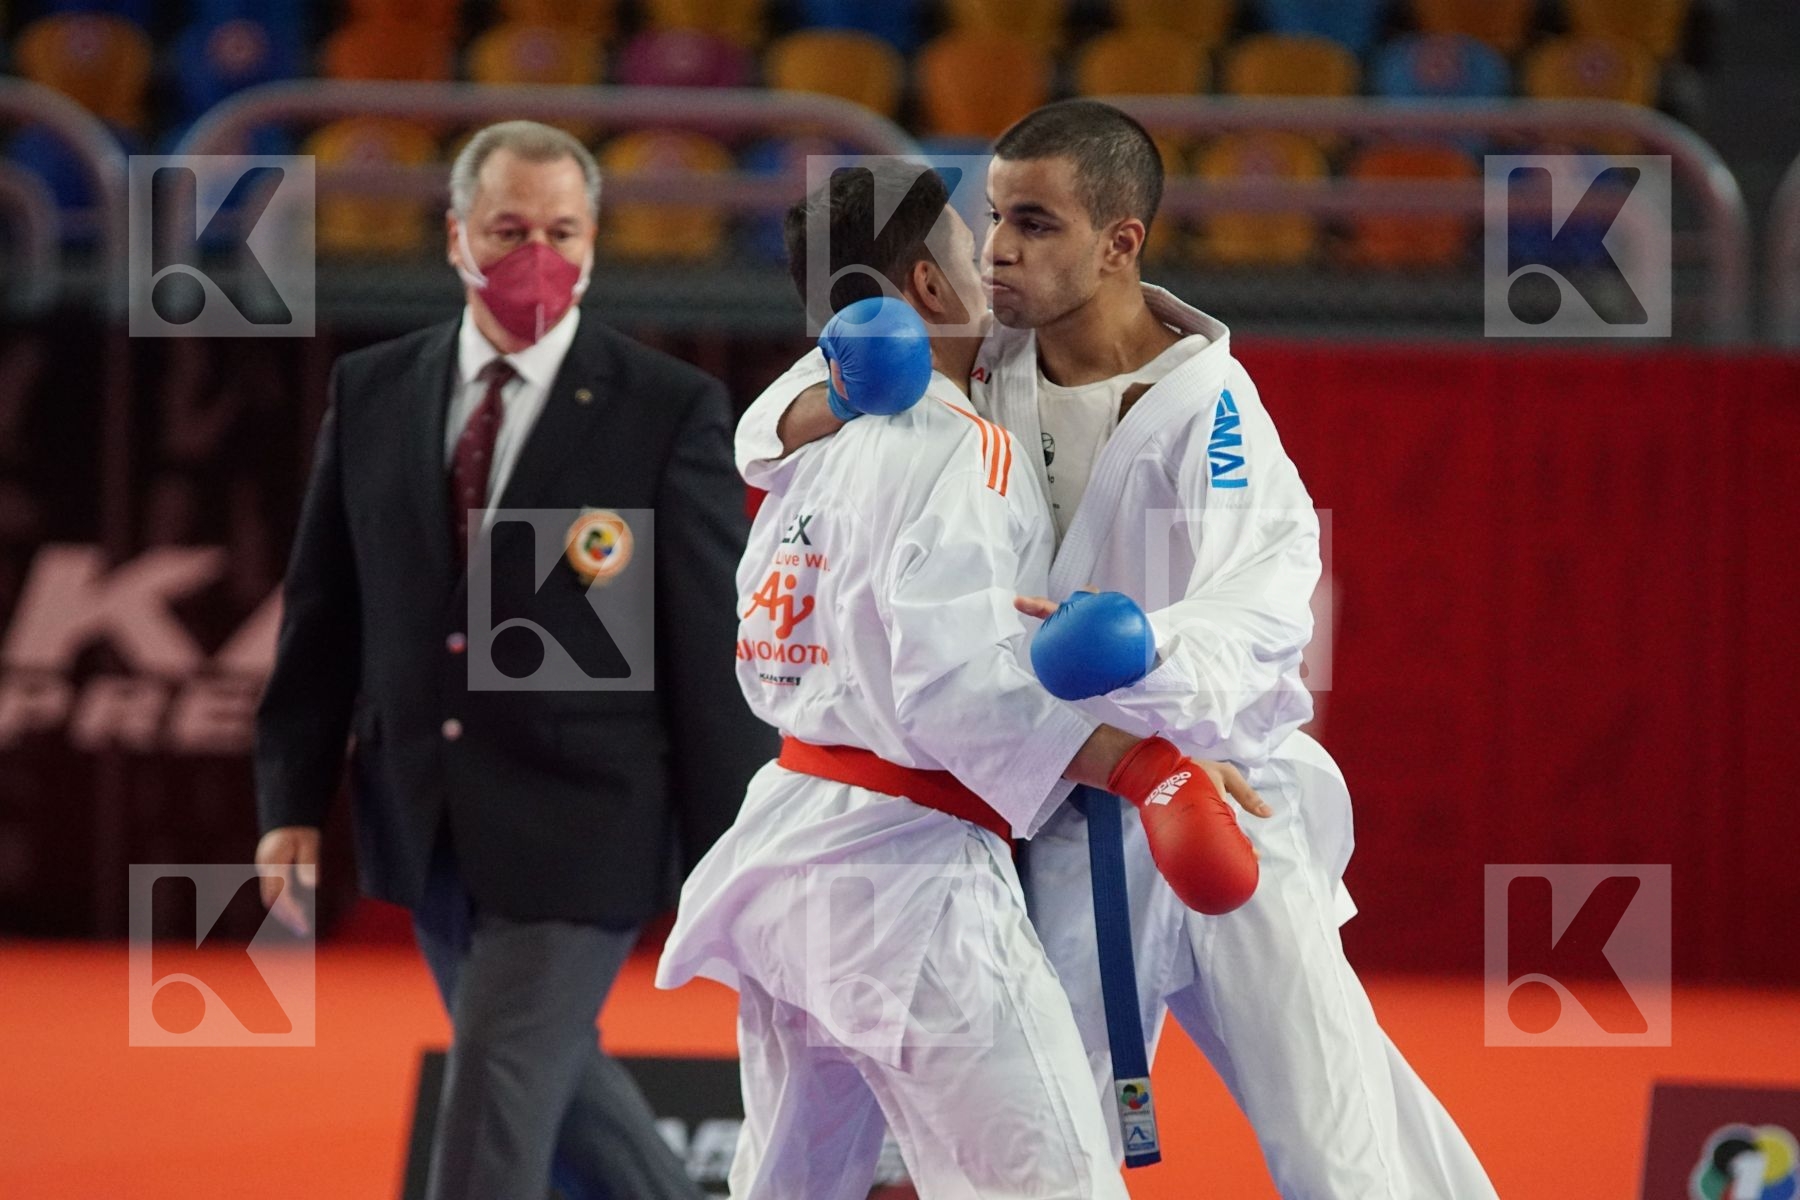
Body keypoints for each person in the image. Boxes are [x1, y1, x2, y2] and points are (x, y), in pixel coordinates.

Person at [740, 101, 1499, 1199]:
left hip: (1220, 796)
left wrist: (1145, 646)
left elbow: (1268, 603)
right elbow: (765, 438)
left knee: (1332, 1129)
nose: (998, 248)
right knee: (1044, 1137)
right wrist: (834, 388)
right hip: (1054, 809)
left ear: (1120, 241)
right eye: (993, 217)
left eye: (1036, 223)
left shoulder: (1209, 406)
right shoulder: (975, 353)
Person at [658, 162, 1268, 1200]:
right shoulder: (962, 449)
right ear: (929, 291)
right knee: (1050, 1186)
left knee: (790, 1186)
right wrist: (1147, 766)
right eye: (967, 251)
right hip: (907, 885)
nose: (993, 268)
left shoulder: (811, 442)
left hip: (785, 853)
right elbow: (953, 690)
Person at [251, 120, 773, 1200]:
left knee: (494, 1089)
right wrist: (289, 799)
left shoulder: (666, 408)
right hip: (424, 816)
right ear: (455, 239)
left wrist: (740, 855)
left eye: (561, 229)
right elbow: (324, 614)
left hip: (588, 824)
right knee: (557, 1082)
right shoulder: (375, 389)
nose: (536, 252)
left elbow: (706, 650)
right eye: (508, 228)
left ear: (594, 244)